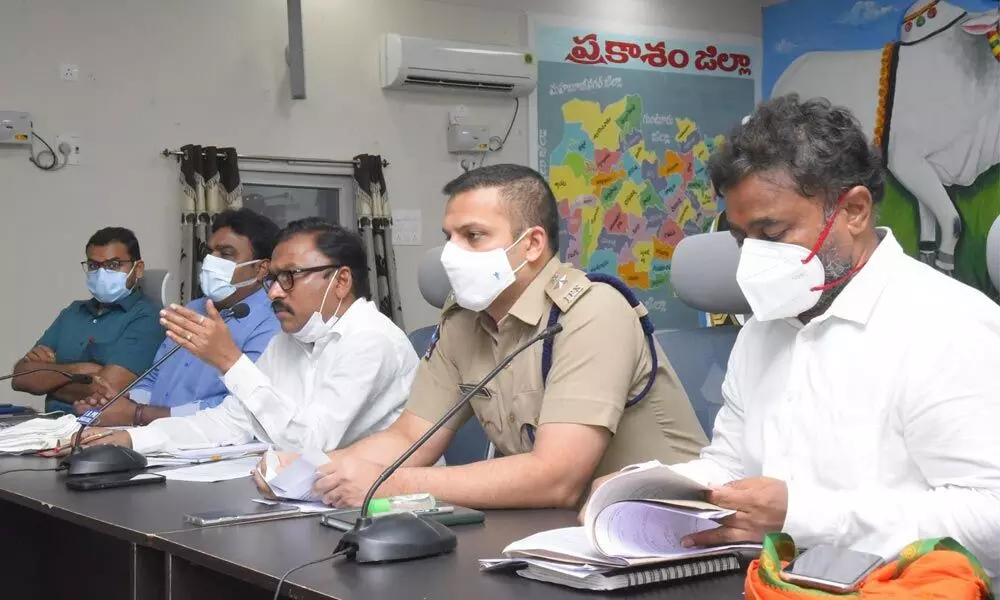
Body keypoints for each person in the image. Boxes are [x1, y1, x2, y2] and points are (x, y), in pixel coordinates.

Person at [587, 95, 1000, 579]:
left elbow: (990, 515)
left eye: (772, 232)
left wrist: (801, 517)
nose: (753, 259)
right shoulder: (763, 330)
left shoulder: (949, 325)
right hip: (764, 581)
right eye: (743, 239)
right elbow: (731, 465)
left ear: (854, 211)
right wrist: (651, 489)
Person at [259, 164, 708, 510]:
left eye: (473, 237)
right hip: (553, 532)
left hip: (660, 532)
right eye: (449, 237)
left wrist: (382, 483)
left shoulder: (593, 311)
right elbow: (411, 435)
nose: (451, 254)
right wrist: (318, 469)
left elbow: (557, 477)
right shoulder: (464, 319)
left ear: (531, 245)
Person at [56, 219, 418, 455]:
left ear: (340, 281)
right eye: (273, 278)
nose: (274, 291)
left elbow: (311, 443)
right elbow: (232, 422)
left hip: (384, 507)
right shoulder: (292, 339)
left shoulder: (371, 340)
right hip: (309, 495)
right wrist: (131, 439)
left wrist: (229, 362)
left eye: (290, 276)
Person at [75, 209, 282, 426]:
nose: (211, 260)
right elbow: (154, 378)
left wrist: (139, 414)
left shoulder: (272, 323)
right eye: (210, 252)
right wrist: (119, 402)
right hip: (155, 436)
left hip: (209, 447)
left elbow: (241, 408)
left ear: (261, 269)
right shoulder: (193, 308)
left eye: (226, 254)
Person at [11, 227, 164, 414]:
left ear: (137, 269)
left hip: (96, 429)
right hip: (48, 424)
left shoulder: (149, 316)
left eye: (113, 265)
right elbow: (20, 377)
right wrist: (81, 369)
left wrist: (48, 378)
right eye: (93, 266)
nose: (101, 274)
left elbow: (103, 392)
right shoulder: (74, 311)